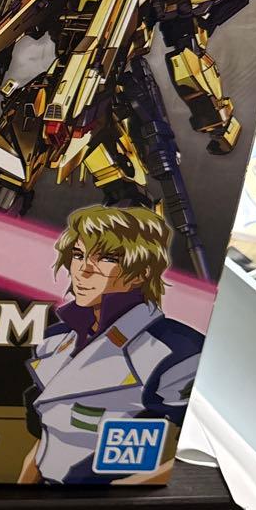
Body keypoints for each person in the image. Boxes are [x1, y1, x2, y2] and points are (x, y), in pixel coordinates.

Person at [18, 206, 202, 485]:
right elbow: (48, 437)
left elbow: (194, 450)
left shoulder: (176, 350)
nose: (84, 270)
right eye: (78, 255)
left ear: (141, 273)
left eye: (106, 258)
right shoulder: (54, 340)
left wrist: (123, 493)